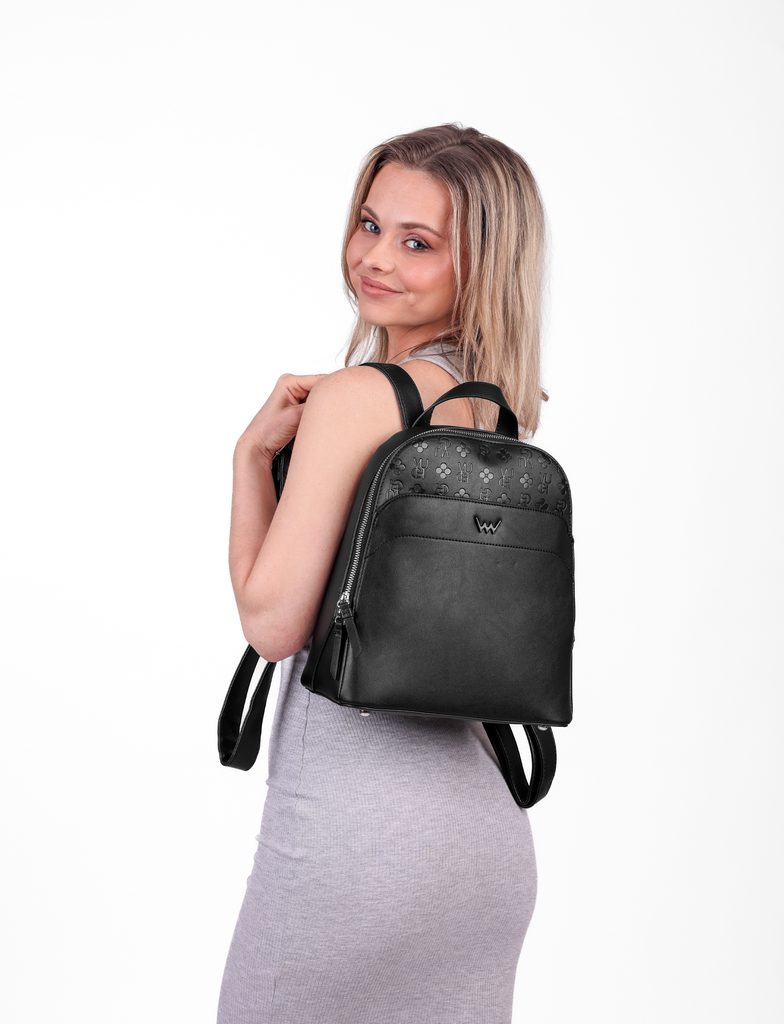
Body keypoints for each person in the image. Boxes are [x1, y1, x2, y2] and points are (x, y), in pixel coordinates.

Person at [217, 122, 550, 1024]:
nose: (375, 258)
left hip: (354, 840)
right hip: (483, 848)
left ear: (481, 263)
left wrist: (251, 460)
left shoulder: (358, 397)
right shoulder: (498, 406)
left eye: (418, 242)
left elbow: (273, 624)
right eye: (370, 225)